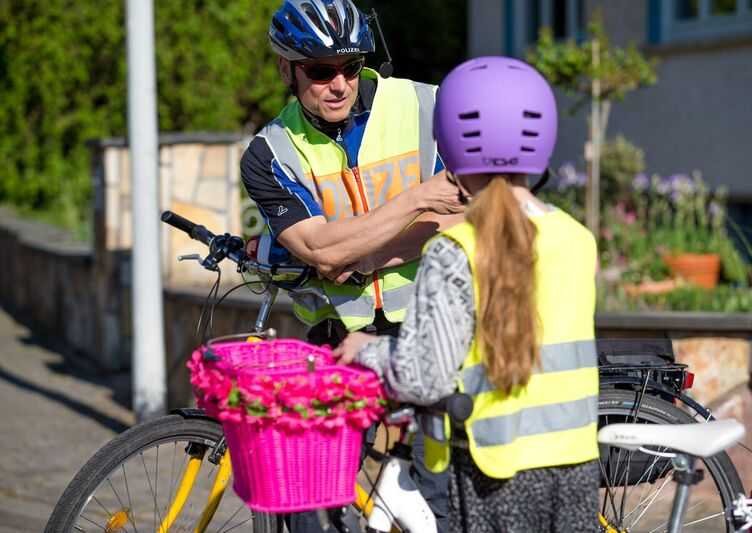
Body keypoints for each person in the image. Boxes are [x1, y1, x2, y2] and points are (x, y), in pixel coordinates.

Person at [334, 56, 600, 533]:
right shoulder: (577, 240)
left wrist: (367, 351)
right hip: (575, 469)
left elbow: (423, 377)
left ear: (451, 145)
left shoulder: (454, 251)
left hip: (490, 472)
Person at [241, 1, 462, 531]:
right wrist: (418, 201)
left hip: (436, 324)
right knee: (308, 492)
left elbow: (474, 217)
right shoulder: (270, 153)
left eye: (350, 66)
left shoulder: (428, 107)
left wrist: (364, 252)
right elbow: (320, 251)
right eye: (319, 71)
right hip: (343, 333)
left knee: (437, 498)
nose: (339, 84)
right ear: (286, 69)